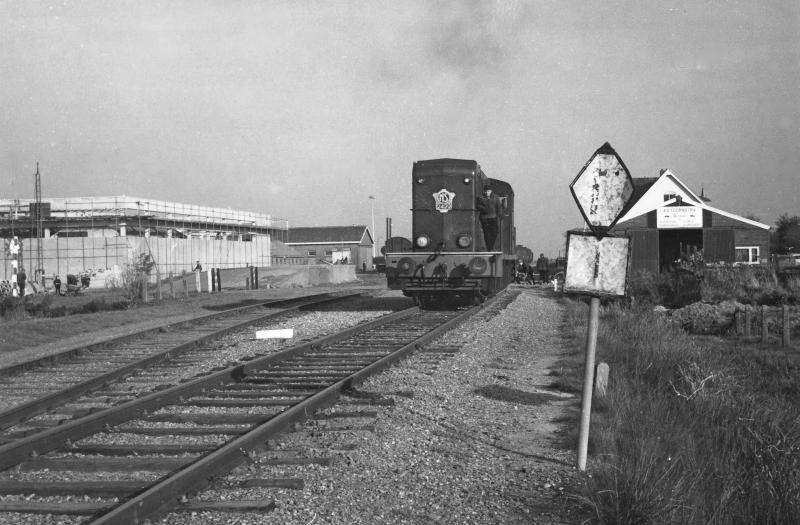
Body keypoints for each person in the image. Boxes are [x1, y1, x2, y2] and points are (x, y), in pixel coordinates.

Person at [475, 184, 504, 251]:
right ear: (484, 191)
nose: (487, 193)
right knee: (487, 233)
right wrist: (483, 209)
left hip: (493, 217)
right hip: (484, 218)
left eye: (488, 191)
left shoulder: (496, 197)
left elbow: (499, 207)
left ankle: (491, 246)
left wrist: (500, 214)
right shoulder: (480, 198)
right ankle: (490, 248)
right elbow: (477, 205)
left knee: (495, 232)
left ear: (491, 191)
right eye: (486, 191)